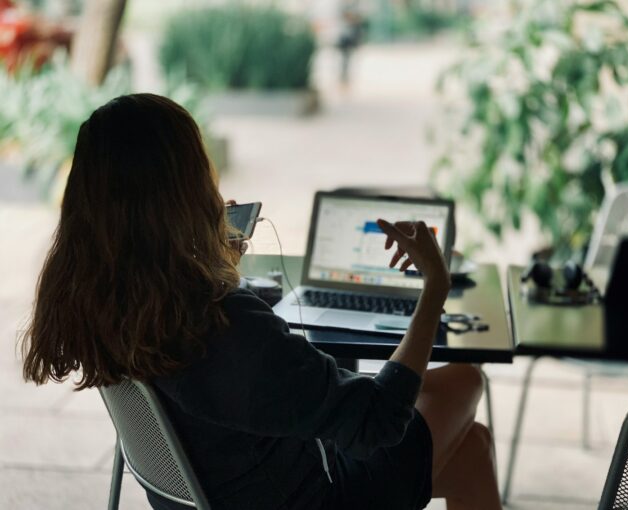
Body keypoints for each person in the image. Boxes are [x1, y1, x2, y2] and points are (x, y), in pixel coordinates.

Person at [21, 94, 501, 510]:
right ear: (185, 191)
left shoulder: (101, 299)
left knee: (472, 450)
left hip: (224, 490)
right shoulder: (222, 324)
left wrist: (215, 271)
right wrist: (433, 288)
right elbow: (377, 422)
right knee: (464, 378)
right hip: (315, 498)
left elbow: (237, 386)